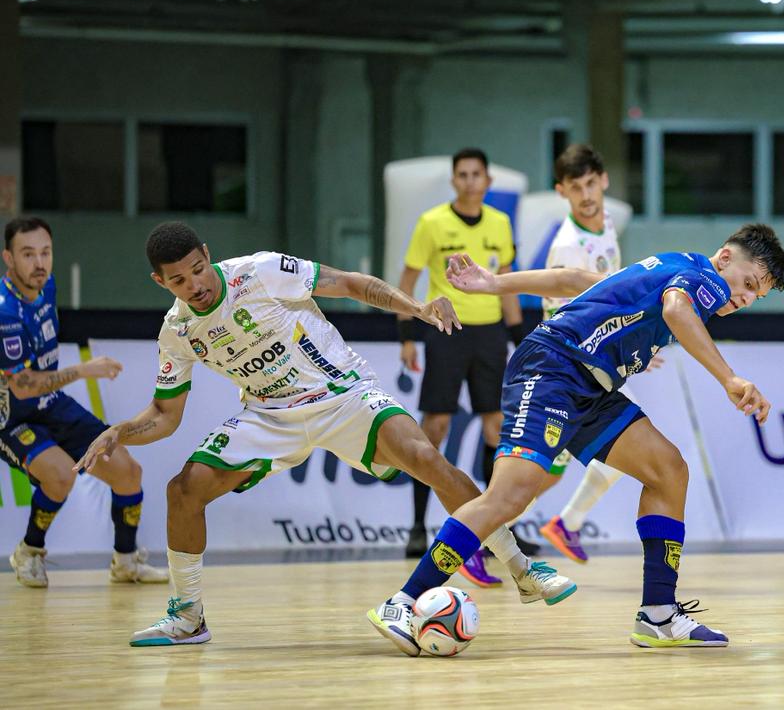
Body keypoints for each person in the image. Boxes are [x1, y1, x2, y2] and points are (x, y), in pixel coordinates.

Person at [75, 222, 574, 650]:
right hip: (269, 416)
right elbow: (165, 415)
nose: (195, 285)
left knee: (428, 459)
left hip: (342, 392)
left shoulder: (259, 271)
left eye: (197, 269)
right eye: (178, 280)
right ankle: (188, 618)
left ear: (207, 255)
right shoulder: (177, 331)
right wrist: (120, 431)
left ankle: (521, 567)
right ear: (160, 282)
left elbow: (350, 283)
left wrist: (416, 308)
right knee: (183, 490)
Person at [374, 223, 784, 655]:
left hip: (592, 388)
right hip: (554, 368)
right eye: (746, 283)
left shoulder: (671, 265)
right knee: (509, 496)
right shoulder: (701, 280)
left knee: (668, 470)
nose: (742, 298)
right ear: (724, 258)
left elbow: (572, 280)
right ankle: (403, 601)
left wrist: (496, 283)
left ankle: (659, 615)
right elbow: (676, 311)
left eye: (753, 296)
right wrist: (729, 378)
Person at [1, 217, 167, 588]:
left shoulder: (47, 287)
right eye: (28, 254)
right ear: (8, 259)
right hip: (11, 418)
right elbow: (24, 387)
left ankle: (125, 561)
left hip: (52, 403)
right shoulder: (4, 313)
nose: (39, 263)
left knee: (127, 471)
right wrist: (83, 371)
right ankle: (29, 551)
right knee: (60, 475)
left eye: (45, 253)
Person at [395, 148, 537, 576]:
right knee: (434, 425)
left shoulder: (499, 223)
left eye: (477, 174)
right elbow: (407, 279)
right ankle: (418, 528)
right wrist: (407, 335)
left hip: (491, 334)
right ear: (454, 181)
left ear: (487, 182)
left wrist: (519, 338)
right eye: (463, 175)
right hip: (446, 333)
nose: (470, 181)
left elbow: (508, 283)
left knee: (497, 425)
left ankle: (497, 526)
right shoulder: (432, 222)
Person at [531, 144, 628, 564]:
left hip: (593, 367)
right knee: (534, 475)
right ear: (561, 192)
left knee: (618, 452)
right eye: (576, 188)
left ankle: (565, 524)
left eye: (592, 183)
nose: (587, 194)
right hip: (569, 368)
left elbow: (609, 297)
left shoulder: (604, 223)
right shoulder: (569, 247)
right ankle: (476, 536)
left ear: (604, 180)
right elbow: (567, 313)